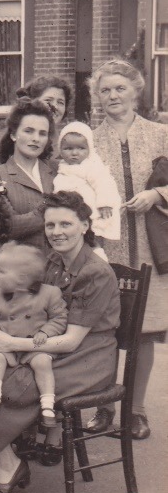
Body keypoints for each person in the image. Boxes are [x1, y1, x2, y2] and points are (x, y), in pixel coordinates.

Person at [0, 191, 120, 493]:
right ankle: (8, 461)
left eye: (66, 224)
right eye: (51, 224)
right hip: (48, 347)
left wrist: (13, 343)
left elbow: (71, 340)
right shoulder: (53, 261)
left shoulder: (94, 271)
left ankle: (8, 466)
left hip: (86, 357)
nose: (57, 232)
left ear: (84, 225)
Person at [85, 58, 168, 439]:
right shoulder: (88, 140)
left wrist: (156, 194)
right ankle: (102, 407)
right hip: (106, 249)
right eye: (105, 90)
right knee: (102, 332)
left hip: (150, 248)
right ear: (96, 96)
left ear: (136, 90)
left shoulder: (160, 134)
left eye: (120, 88)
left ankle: (135, 411)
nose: (113, 96)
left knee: (144, 331)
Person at [0, 242, 67, 425]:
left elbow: (59, 318)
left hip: (33, 346)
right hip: (5, 347)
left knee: (43, 362)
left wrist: (45, 331)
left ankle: (48, 405)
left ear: (22, 277)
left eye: (2, 271)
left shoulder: (50, 293)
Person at [0, 99, 56, 248]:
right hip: (17, 265)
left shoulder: (58, 171)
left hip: (58, 266)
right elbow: (7, 227)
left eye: (42, 133)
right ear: (13, 134)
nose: (36, 138)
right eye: (28, 131)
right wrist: (51, 205)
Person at [0, 75, 73, 170]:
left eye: (60, 102)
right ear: (32, 103)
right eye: (48, 100)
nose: (55, 107)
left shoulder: (71, 149)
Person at [52, 122, 121, 242]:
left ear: (89, 148)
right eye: (68, 148)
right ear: (60, 150)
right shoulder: (62, 167)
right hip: (70, 212)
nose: (74, 153)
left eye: (81, 148)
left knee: (92, 241)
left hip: (90, 211)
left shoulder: (92, 165)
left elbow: (104, 183)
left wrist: (105, 203)